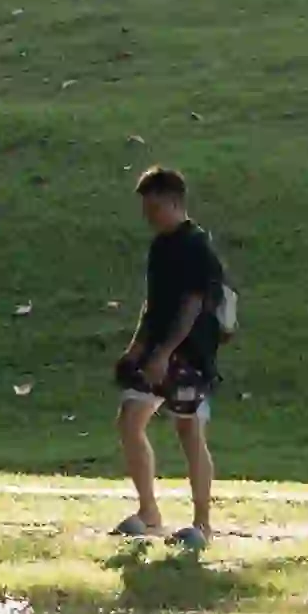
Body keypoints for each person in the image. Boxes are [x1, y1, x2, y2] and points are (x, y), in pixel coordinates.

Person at [109, 166, 234, 552]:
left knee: (189, 431)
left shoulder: (196, 245)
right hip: (157, 350)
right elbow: (154, 305)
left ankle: (202, 524)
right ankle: (149, 512)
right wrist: (136, 348)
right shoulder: (159, 247)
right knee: (130, 420)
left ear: (175, 203)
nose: (149, 215)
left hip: (190, 352)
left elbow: (194, 304)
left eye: (155, 207)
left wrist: (165, 353)